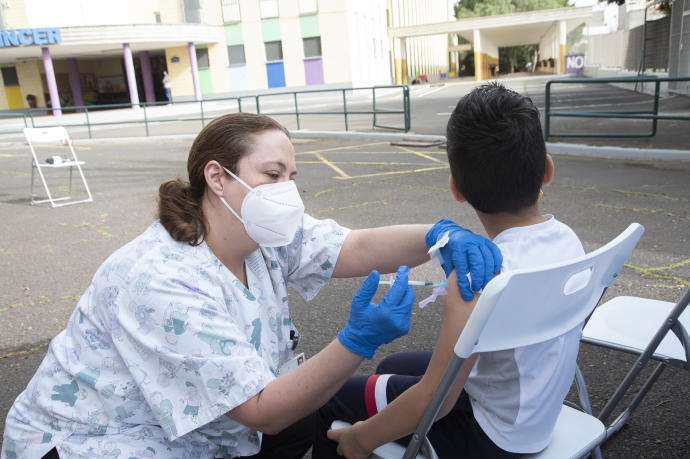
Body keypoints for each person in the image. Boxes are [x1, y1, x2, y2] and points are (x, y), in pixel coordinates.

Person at [2, 113, 501, 459]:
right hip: (97, 441)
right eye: (272, 174)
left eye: (292, 175)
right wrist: (357, 341)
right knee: (297, 414)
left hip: (207, 429)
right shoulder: (159, 279)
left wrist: (438, 236)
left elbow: (356, 246)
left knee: (313, 411)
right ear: (217, 177)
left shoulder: (262, 233)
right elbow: (263, 411)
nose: (287, 190)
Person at [316, 83, 587, 458]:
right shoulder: (568, 240)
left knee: (328, 401)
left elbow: (436, 399)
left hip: (490, 436)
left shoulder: (476, 278)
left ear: (456, 188)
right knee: (395, 364)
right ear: (547, 170)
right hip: (535, 409)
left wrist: (360, 440)